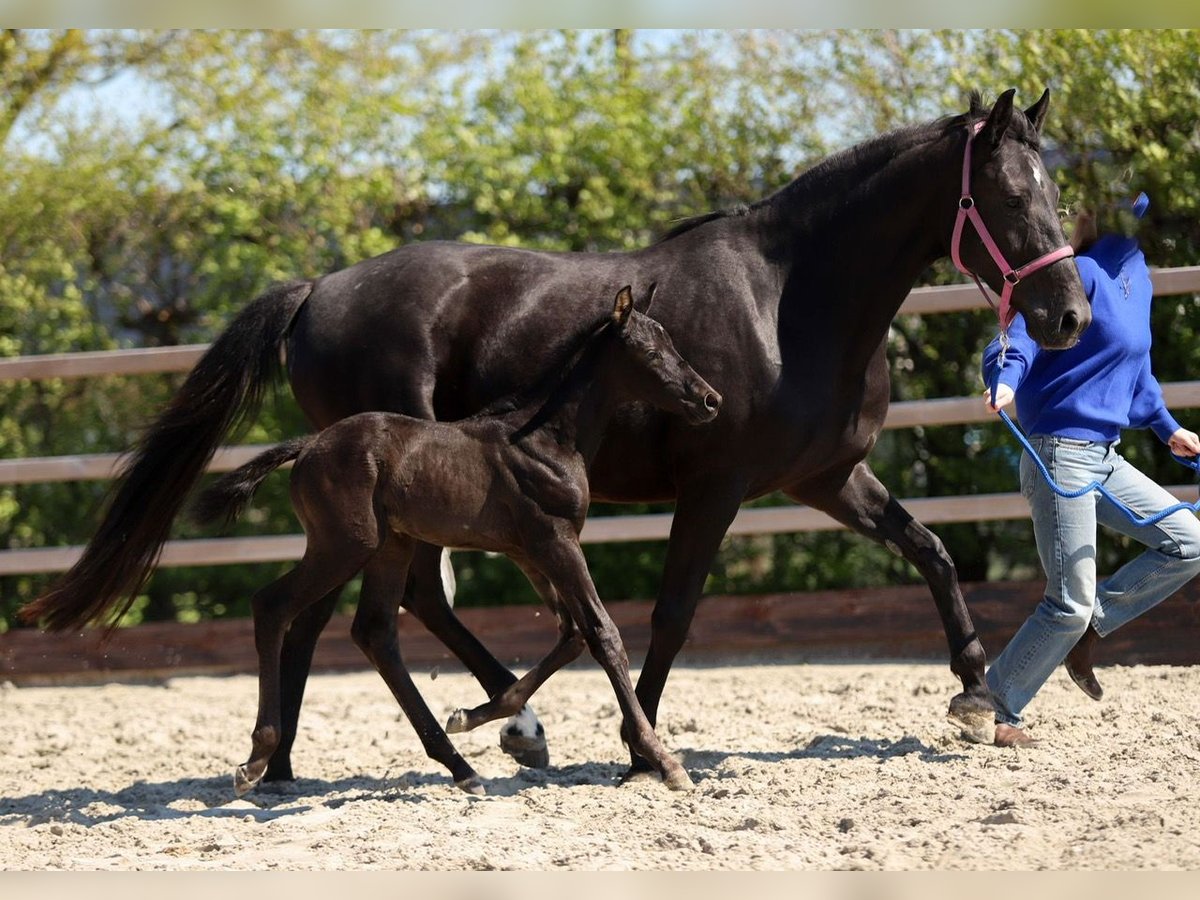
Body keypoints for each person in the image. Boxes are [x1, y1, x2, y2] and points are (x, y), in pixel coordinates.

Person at [980, 202, 1200, 747]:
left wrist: (1167, 426)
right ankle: (994, 705)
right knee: (1067, 602)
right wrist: (1005, 379)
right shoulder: (1076, 273)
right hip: (1058, 452)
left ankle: (1088, 631)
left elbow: (1137, 366)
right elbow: (1016, 339)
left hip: (1103, 455)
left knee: (1190, 543)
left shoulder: (1138, 278)